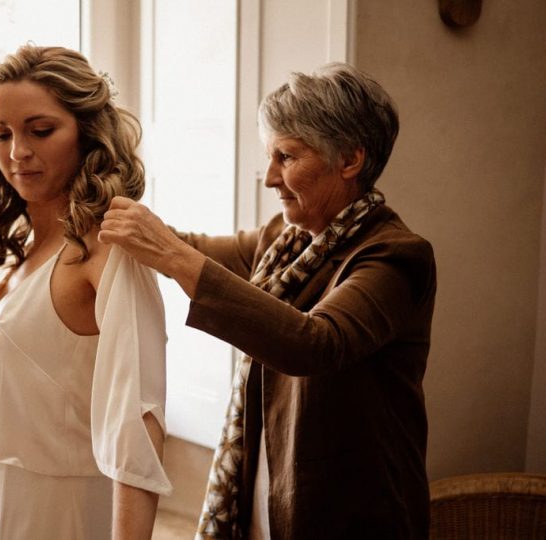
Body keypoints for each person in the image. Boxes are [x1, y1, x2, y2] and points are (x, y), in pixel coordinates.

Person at [98, 63, 436, 538]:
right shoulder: (285, 240)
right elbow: (190, 247)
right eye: (270, 157)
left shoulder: (396, 257)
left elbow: (314, 343)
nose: (270, 178)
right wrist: (99, 200)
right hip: (265, 506)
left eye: (287, 156)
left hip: (354, 517)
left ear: (350, 160)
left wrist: (170, 254)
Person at [0, 45, 172, 540]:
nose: (16, 152)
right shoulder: (30, 246)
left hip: (66, 515)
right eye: (0, 134)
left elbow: (139, 418)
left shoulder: (107, 250)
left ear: (87, 133)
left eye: (40, 131)